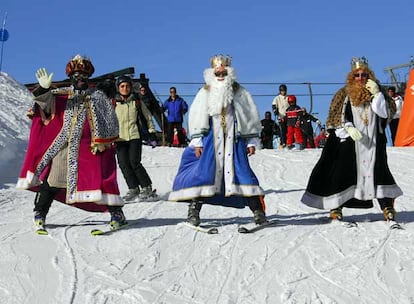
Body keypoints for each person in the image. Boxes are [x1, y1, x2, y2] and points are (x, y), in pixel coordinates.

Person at [16, 55, 126, 231]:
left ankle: (117, 214)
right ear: (71, 77)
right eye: (76, 74)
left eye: (83, 74)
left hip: (90, 147)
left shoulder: (97, 97)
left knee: (101, 180)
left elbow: (110, 120)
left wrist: (102, 141)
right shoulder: (60, 96)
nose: (80, 78)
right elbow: (43, 106)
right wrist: (43, 89)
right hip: (63, 147)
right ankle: (40, 212)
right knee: (52, 181)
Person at [168, 55, 268, 227]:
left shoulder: (239, 92)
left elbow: (248, 115)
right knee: (204, 175)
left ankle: (257, 211)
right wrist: (197, 141)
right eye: (217, 72)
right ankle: (194, 212)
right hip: (210, 142)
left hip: (234, 141)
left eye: (224, 71)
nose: (221, 74)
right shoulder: (205, 92)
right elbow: (197, 116)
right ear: (212, 73)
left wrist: (251, 140)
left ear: (229, 72)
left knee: (242, 174)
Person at [301, 56, 403, 222]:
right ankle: (336, 207)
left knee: (378, 173)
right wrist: (347, 126)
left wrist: (377, 94)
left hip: (373, 142)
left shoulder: (378, 92)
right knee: (342, 174)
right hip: (350, 142)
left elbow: (385, 114)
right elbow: (336, 116)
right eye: (357, 75)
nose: (361, 78)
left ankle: (387, 206)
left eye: (364, 75)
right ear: (352, 77)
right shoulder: (344, 94)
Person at [113, 75, 158, 202]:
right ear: (118, 88)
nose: (125, 88)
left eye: (127, 86)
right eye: (122, 86)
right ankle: (133, 188)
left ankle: (146, 186)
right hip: (119, 138)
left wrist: (152, 132)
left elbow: (148, 116)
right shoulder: (114, 103)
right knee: (123, 164)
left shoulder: (136, 100)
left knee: (134, 162)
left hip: (134, 136)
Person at [271, 84, 289, 148]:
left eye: (284, 91)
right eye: (282, 91)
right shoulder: (277, 98)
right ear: (280, 91)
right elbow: (274, 105)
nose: (283, 92)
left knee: (288, 130)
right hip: (281, 115)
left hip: (288, 116)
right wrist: (275, 110)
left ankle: (288, 142)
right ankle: (282, 142)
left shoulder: (288, 97)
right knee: (282, 129)